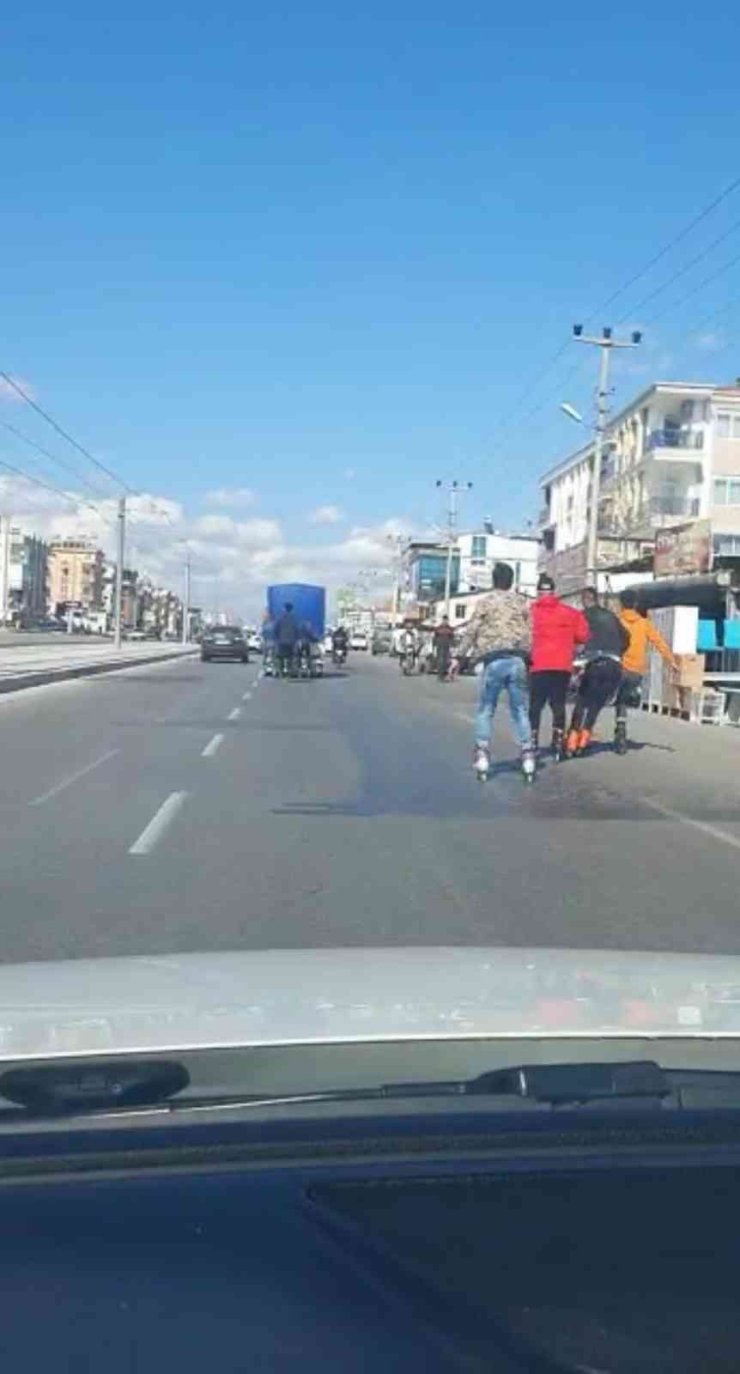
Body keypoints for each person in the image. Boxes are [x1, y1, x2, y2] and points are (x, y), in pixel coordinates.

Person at [451, 562, 534, 780]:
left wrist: (459, 657)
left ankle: (482, 755)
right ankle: (527, 755)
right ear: (512, 580)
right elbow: (530, 632)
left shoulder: (486, 602)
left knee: (486, 709)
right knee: (519, 711)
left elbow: (472, 630)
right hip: (518, 660)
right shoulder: (522, 603)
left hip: (494, 661)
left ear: (493, 580)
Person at [529, 573, 589, 758]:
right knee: (558, 704)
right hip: (561, 666)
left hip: (537, 664)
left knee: (535, 705)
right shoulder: (571, 613)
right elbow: (583, 636)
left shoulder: (529, 612)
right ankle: (557, 739)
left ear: (539, 592)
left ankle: (532, 740)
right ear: (554, 592)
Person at [565, 587, 630, 756]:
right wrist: (617, 652)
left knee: (581, 701)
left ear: (585, 600)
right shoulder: (611, 616)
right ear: (597, 599)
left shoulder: (582, 616)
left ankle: (572, 741)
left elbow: (573, 638)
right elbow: (626, 638)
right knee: (596, 704)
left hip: (593, 665)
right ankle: (584, 740)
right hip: (614, 666)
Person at [615, 589, 678, 753]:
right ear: (635, 604)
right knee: (625, 697)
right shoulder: (644, 624)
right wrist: (671, 661)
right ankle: (621, 728)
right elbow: (659, 642)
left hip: (619, 668)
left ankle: (619, 729)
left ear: (621, 603)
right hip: (636, 671)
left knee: (618, 700)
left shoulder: (617, 622)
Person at [273, 602, 300, 678]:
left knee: (280, 658)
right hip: (291, 642)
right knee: (290, 658)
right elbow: (296, 630)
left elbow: (275, 629)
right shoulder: (294, 618)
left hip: (281, 641)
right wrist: (296, 639)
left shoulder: (280, 618)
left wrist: (276, 638)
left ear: (284, 609)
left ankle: (281, 672)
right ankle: (289, 672)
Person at [433, 616, 455, 681]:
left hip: (446, 646)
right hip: (439, 646)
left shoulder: (450, 629)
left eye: (446, 620)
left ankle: (443, 675)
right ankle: (440, 675)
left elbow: (452, 638)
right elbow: (435, 637)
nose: (445, 622)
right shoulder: (438, 628)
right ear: (442, 620)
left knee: (445, 661)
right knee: (440, 660)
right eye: (444, 620)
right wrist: (434, 646)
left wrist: (453, 646)